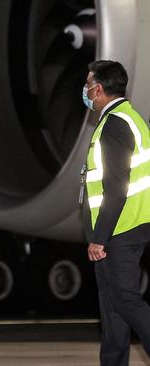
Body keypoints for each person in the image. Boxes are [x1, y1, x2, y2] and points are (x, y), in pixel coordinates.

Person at [80, 60, 150, 366]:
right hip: (124, 228)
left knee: (126, 301)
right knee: (111, 310)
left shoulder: (115, 124)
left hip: (121, 230)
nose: (85, 90)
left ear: (99, 88)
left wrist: (100, 237)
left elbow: (116, 186)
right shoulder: (128, 118)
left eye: (88, 84)